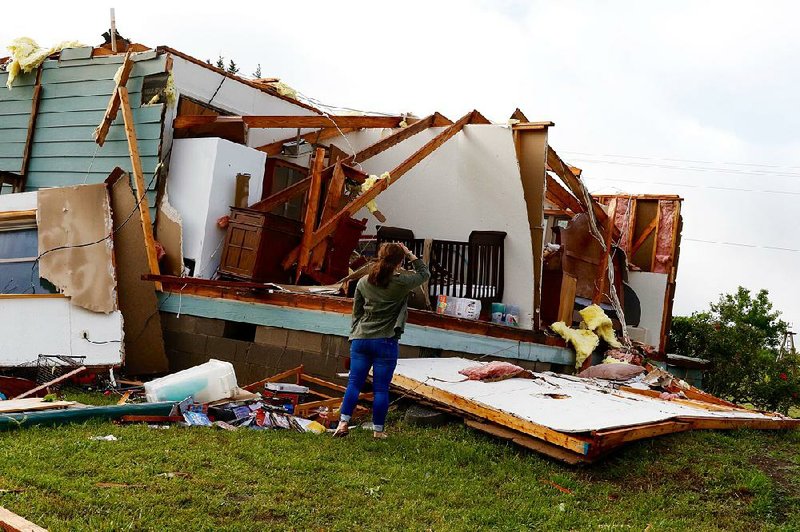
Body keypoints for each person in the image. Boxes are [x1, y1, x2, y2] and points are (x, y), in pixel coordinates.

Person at [334, 242, 430, 439]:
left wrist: (355, 333)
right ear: (399, 261)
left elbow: (357, 313)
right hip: (385, 341)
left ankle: (342, 424)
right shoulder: (402, 282)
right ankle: (378, 431)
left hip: (360, 339)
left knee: (354, 383)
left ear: (380, 256)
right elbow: (424, 274)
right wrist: (410, 254)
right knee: (380, 389)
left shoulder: (363, 282)